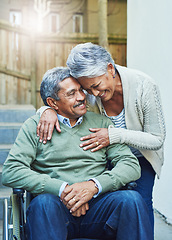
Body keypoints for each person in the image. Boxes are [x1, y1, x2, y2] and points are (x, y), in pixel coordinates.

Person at [2, 67, 153, 240]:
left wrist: (93, 186)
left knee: (131, 200)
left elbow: (131, 165)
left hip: (99, 208)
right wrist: (63, 190)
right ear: (52, 103)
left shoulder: (101, 122)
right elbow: (11, 171)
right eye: (71, 93)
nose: (81, 97)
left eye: (81, 90)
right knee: (43, 204)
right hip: (55, 208)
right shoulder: (35, 127)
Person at [36, 43, 166, 233]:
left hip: (140, 159)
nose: (94, 95)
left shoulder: (144, 87)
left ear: (110, 69)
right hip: (102, 156)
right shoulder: (89, 89)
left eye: (96, 86)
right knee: (109, 211)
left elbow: (157, 139)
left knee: (139, 206)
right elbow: (62, 100)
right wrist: (45, 110)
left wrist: (113, 135)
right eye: (88, 90)